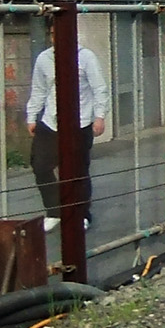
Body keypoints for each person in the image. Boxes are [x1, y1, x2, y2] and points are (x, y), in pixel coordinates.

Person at [25, 42, 109, 234]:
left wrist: (100, 116)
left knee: (78, 170)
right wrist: (32, 115)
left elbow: (99, 88)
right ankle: (54, 211)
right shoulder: (44, 59)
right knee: (40, 165)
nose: (56, 37)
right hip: (51, 121)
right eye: (53, 33)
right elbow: (39, 89)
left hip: (80, 121)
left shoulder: (86, 57)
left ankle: (82, 215)